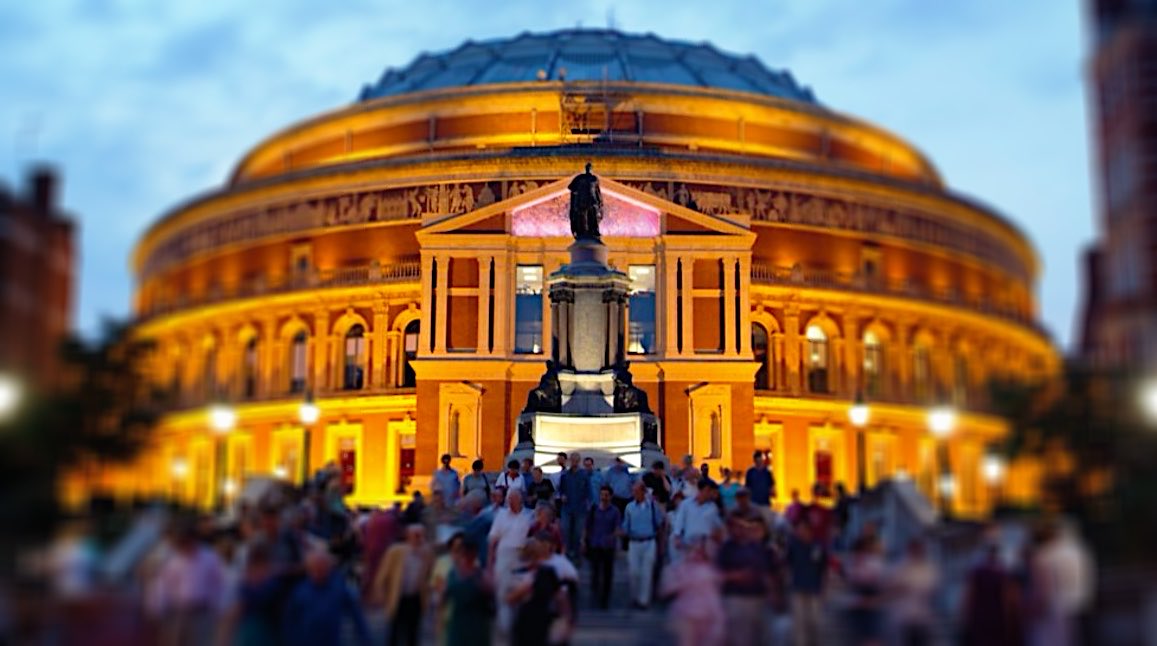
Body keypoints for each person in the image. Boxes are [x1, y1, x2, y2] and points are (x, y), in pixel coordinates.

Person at [150, 523, 228, 646]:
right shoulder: (172, 559)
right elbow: (162, 585)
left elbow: (217, 584)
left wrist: (219, 608)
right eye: (182, 541)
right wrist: (157, 608)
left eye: (187, 540)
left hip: (202, 612)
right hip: (176, 612)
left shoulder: (209, 558)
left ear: (194, 539)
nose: (185, 545)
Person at [282, 549, 371, 646]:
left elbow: (355, 613)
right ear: (309, 569)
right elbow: (289, 621)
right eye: (315, 568)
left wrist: (364, 637)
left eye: (322, 567)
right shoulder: (300, 591)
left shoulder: (338, 588)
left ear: (329, 568)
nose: (319, 571)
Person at [372, 524, 434, 646]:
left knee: (413, 632)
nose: (419, 539)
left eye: (421, 536)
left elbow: (430, 575)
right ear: (408, 536)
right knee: (395, 631)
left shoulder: (427, 553)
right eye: (416, 536)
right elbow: (383, 574)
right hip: (398, 596)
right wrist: (381, 594)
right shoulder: (396, 551)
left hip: (416, 597)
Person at [716, 517, 775, 646]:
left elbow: (767, 572)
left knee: (756, 636)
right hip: (734, 598)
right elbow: (717, 574)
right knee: (737, 637)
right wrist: (736, 576)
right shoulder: (727, 548)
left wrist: (772, 593)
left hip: (757, 598)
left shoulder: (759, 548)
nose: (740, 529)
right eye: (736, 526)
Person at [659, 540, 725, 646]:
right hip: (684, 614)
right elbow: (666, 591)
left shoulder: (709, 571)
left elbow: (713, 598)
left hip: (705, 615)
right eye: (692, 551)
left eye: (699, 552)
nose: (695, 555)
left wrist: (719, 619)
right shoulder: (677, 569)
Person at [508, 535, 570, 646]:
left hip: (543, 622)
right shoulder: (518, 574)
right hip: (523, 623)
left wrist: (565, 621)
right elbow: (510, 599)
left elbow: (560, 597)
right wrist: (525, 588)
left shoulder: (548, 573)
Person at [488, 489, 533, 636]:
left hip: (522, 556)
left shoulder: (528, 516)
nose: (510, 502)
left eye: (513, 499)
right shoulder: (501, 516)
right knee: (502, 591)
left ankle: (520, 625)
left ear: (520, 500)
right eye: (509, 499)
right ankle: (505, 627)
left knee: (522, 592)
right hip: (504, 555)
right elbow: (493, 539)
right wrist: (490, 562)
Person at [961, 542, 1021, 646]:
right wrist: (1009, 623)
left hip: (980, 619)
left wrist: (965, 620)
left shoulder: (977, 572)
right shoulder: (1003, 573)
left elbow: (969, 597)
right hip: (997, 619)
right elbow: (1006, 599)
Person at [621, 481, 665, 609]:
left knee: (647, 572)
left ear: (643, 492)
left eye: (636, 491)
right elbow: (626, 525)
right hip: (634, 542)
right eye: (633, 491)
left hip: (649, 541)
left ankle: (643, 600)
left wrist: (661, 543)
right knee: (634, 572)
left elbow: (659, 523)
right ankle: (634, 597)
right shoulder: (629, 507)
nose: (634, 494)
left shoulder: (652, 506)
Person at [888, 539, 939, 646]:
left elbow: (932, 590)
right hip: (903, 617)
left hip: (922, 617)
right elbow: (890, 588)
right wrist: (902, 588)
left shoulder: (929, 568)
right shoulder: (899, 567)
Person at [786, 520, 827, 646]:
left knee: (814, 621)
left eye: (803, 529)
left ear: (809, 531)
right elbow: (787, 565)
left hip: (814, 589)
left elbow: (823, 569)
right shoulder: (793, 546)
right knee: (799, 622)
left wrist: (824, 588)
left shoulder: (818, 546)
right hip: (798, 588)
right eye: (799, 530)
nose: (800, 532)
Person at [444, 540, 493, 646]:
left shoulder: (481, 576)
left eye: (470, 554)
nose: (467, 557)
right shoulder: (453, 574)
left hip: (477, 624)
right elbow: (443, 597)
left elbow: (490, 596)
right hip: (459, 622)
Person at [584, 486, 621, 609]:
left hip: (608, 546)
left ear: (610, 496)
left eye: (606, 495)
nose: (604, 497)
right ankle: (595, 596)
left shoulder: (615, 511)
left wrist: (612, 537)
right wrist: (583, 541)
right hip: (595, 545)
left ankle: (605, 599)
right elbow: (587, 526)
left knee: (607, 574)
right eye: (602, 494)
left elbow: (617, 528)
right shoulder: (594, 509)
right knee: (595, 573)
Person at [845, 533, 886, 646]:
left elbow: (876, 579)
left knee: (873, 632)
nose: (863, 551)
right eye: (861, 549)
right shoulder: (852, 561)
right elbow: (853, 578)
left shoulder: (874, 561)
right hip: (858, 599)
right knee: (859, 633)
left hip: (872, 600)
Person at [672, 480, 723, 560]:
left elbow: (718, 526)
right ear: (706, 490)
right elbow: (679, 522)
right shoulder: (686, 504)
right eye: (712, 492)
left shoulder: (713, 507)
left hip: (705, 547)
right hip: (688, 545)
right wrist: (677, 537)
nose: (714, 495)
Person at [558, 452, 591, 562]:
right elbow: (561, 490)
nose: (574, 462)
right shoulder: (565, 475)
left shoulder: (584, 475)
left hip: (580, 508)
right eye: (572, 460)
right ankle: (567, 554)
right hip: (567, 508)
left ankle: (576, 555)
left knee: (577, 532)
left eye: (576, 460)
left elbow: (588, 491)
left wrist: (588, 503)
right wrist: (562, 496)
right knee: (566, 530)